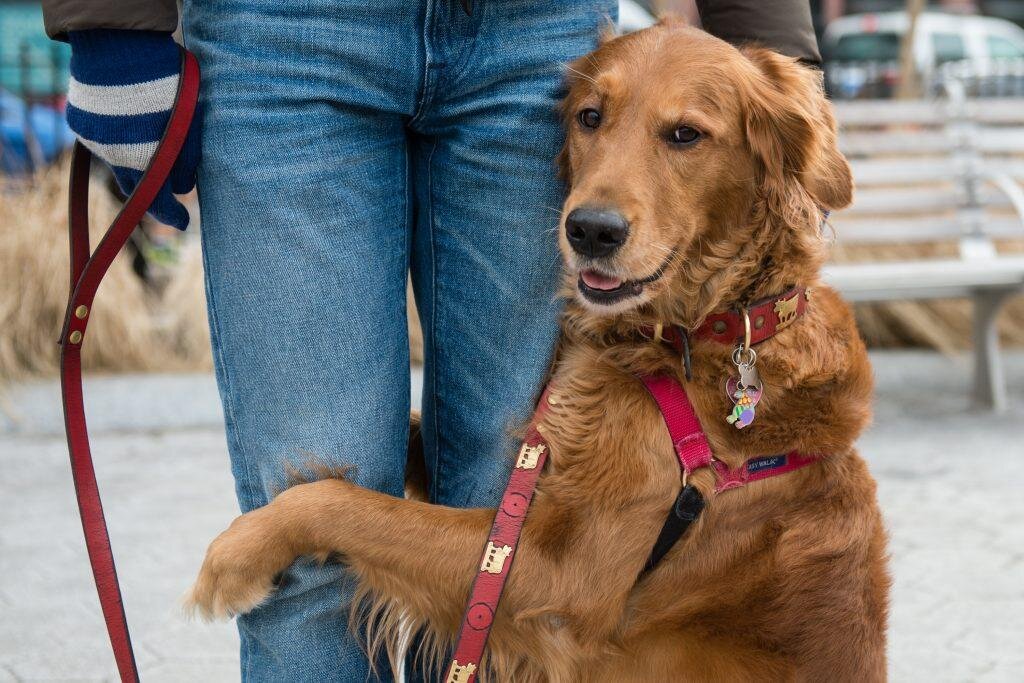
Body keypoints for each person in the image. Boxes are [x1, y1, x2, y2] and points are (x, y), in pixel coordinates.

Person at [41, 0, 820, 679]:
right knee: (304, 513)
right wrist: (112, 23)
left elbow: (557, 573)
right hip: (280, 39)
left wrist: (782, 46)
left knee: (507, 492)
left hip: (536, 46)